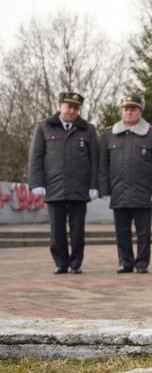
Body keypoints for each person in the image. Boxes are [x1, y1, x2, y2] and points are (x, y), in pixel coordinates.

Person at [28, 92, 99, 274]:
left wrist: (93, 185)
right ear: (60, 106)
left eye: (76, 107)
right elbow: (36, 157)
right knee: (57, 230)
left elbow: (94, 160)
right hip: (54, 187)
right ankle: (60, 262)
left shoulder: (88, 130)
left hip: (79, 187)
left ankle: (76, 263)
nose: (72, 110)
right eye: (69, 106)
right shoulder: (44, 127)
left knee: (77, 230)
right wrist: (37, 182)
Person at [100, 94, 152, 274]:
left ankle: (142, 263)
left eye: (133, 109)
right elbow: (103, 165)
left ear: (140, 111)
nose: (129, 112)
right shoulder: (109, 134)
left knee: (143, 232)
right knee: (122, 231)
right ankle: (125, 262)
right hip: (119, 191)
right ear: (121, 111)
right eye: (126, 109)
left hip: (143, 191)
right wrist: (104, 189)